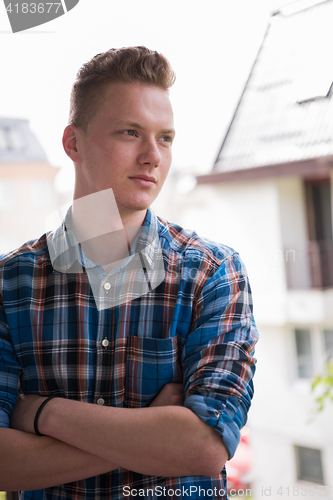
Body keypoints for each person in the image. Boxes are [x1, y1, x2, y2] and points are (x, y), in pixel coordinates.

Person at [0, 46, 258, 499]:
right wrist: (155, 437)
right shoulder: (8, 285)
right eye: (130, 132)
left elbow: (205, 445)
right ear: (73, 143)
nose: (152, 156)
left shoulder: (214, 275)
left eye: (165, 138)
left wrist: (44, 415)